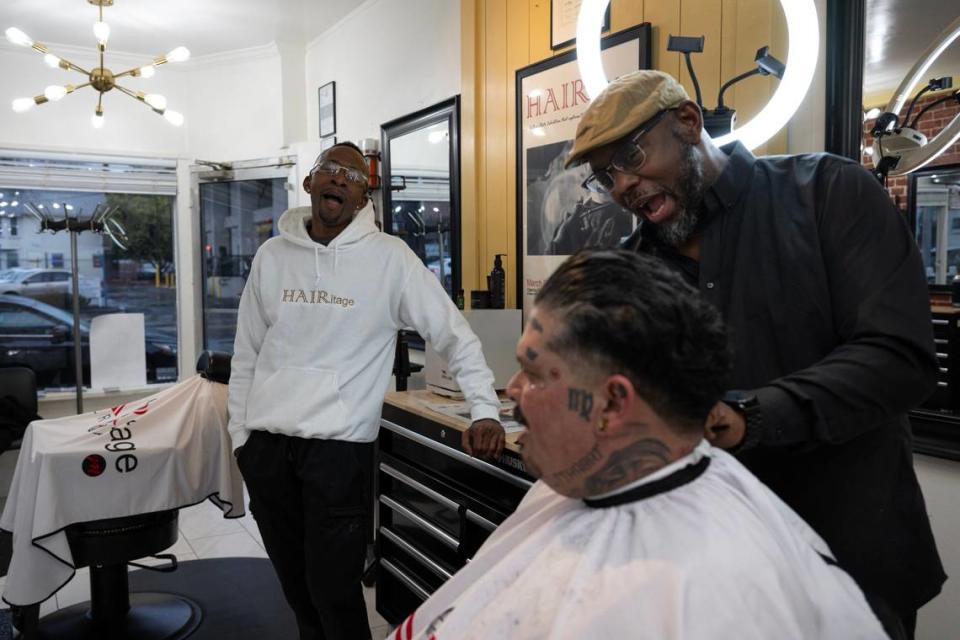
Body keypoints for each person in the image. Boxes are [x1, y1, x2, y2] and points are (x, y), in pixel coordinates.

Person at [564, 69, 945, 638]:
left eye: (632, 155)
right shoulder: (628, 270)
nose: (623, 185)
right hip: (710, 578)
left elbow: (899, 357)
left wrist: (748, 416)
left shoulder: (827, 195)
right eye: (606, 175)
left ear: (688, 123)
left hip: (850, 563)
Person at [395, 250, 886, 639]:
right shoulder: (575, 483)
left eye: (536, 372)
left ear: (612, 405)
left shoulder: (711, 594)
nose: (515, 389)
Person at [227, 142, 505, 640]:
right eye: (327, 170)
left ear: (362, 197)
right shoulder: (272, 256)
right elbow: (246, 353)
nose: (337, 179)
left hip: (338, 453)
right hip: (268, 449)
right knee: (295, 589)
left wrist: (485, 408)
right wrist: (240, 440)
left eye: (350, 175)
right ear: (310, 184)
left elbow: (453, 335)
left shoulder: (390, 260)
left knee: (335, 592)